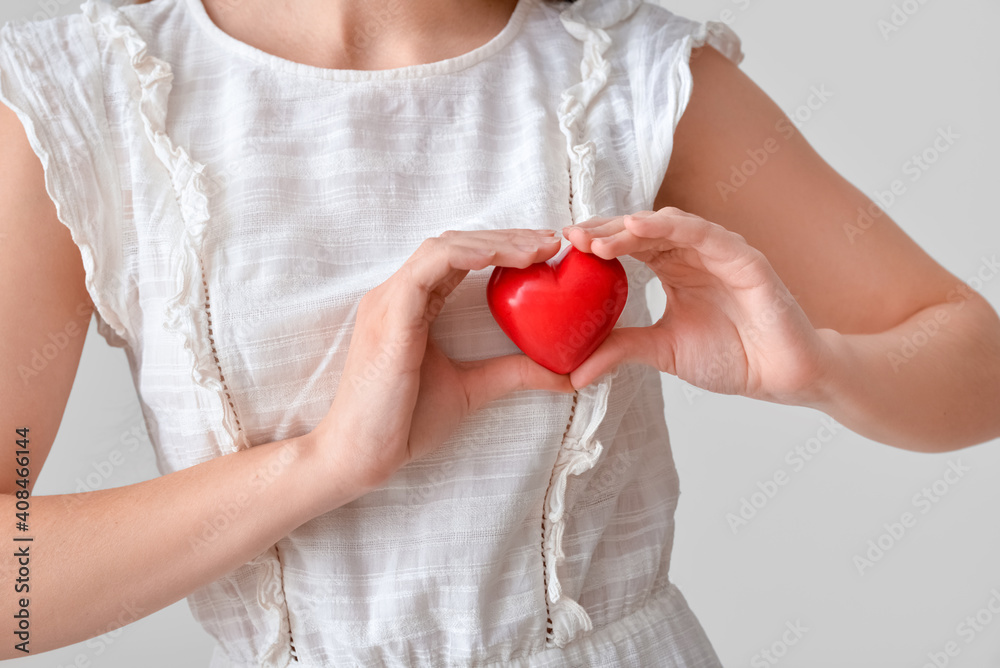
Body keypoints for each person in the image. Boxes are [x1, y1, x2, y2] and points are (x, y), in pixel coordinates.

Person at [1, 0, 998, 665]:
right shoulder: (84, 96)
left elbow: (972, 358)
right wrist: (327, 461)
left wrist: (822, 367)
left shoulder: (628, 71)